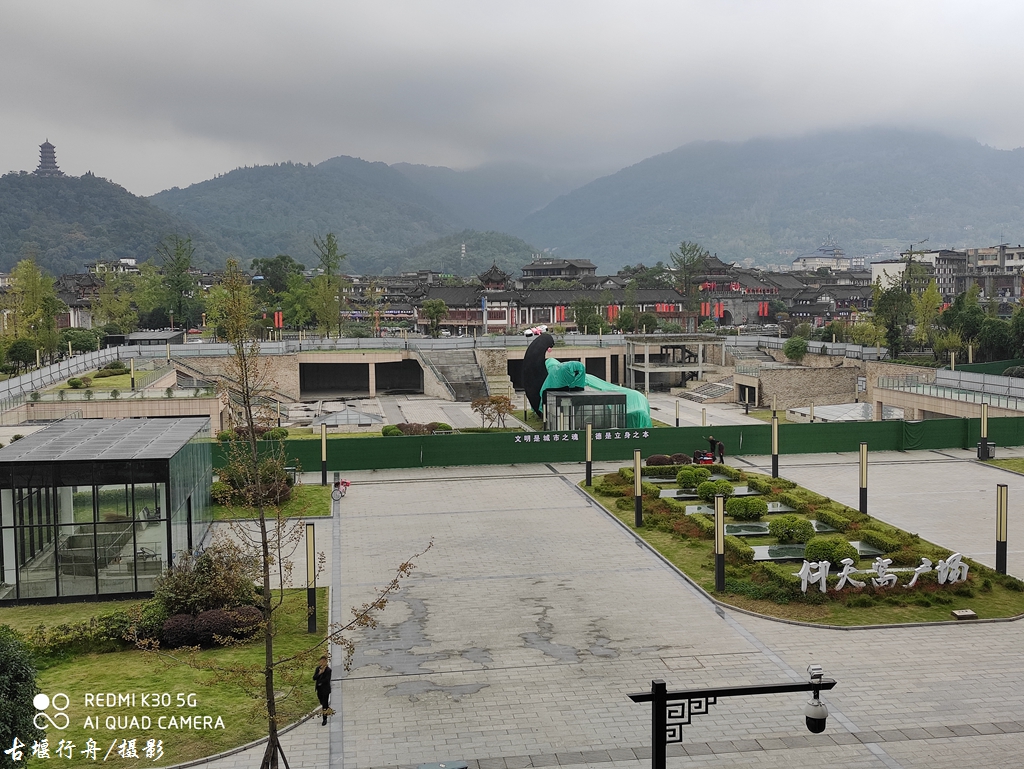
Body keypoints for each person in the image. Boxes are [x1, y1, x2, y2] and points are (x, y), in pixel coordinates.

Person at [313, 654, 332, 725]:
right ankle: (327, 708)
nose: (322, 663)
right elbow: (314, 678)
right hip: (319, 689)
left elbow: (327, 680)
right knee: (322, 702)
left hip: (325, 690)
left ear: (326, 662)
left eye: (323, 662)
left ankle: (324, 719)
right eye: (321, 662)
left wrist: (321, 682)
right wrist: (319, 673)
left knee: (324, 705)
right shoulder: (318, 669)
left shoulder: (328, 670)